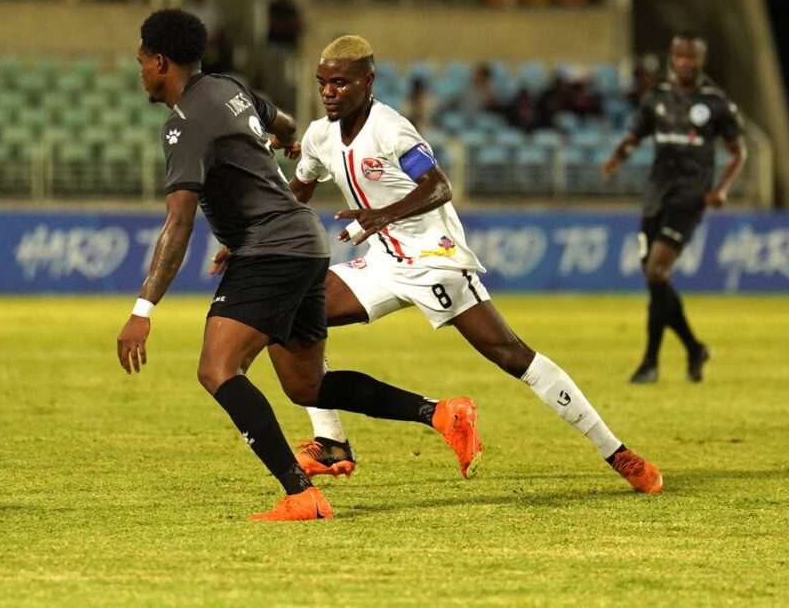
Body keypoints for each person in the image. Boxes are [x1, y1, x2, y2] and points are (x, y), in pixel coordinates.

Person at [213, 35, 664, 493]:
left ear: (367, 82)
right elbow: (300, 189)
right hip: (384, 261)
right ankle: (331, 441)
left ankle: (617, 452)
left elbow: (437, 186)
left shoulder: (391, 129)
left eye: (341, 83)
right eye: (323, 83)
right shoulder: (319, 135)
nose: (329, 92)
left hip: (435, 259)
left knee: (511, 355)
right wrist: (251, 238)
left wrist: (381, 215)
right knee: (286, 314)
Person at [116, 10, 483, 522]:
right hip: (305, 242)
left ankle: (300, 494)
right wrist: (279, 152)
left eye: (140, 63)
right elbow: (285, 126)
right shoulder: (228, 88)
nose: (139, 73)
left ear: (160, 62)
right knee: (305, 386)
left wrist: (143, 308)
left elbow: (177, 226)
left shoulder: (183, 126)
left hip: (271, 251)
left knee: (218, 370)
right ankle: (441, 413)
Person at [602, 31, 746, 384]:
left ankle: (650, 363)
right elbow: (635, 136)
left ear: (701, 60)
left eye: (690, 57)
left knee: (655, 272)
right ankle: (695, 348)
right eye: (678, 56)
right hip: (656, 198)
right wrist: (618, 156)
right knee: (657, 281)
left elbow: (739, 151)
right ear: (672, 58)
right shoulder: (657, 99)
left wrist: (722, 190)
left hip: (689, 199)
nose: (683, 62)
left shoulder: (715, 104)